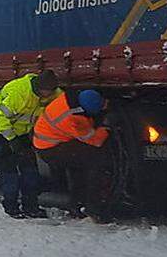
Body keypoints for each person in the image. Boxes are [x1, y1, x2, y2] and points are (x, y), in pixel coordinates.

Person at [0, 70, 60, 218]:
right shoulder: (19, 93)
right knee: (9, 170)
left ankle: (31, 206)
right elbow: (0, 117)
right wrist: (12, 140)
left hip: (21, 131)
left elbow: (61, 100)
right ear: (40, 89)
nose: (50, 96)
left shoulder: (51, 92)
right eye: (48, 92)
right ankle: (11, 206)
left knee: (30, 169)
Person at [34, 89, 113, 222]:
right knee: (94, 160)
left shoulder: (70, 97)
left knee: (78, 166)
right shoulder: (73, 119)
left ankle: (77, 204)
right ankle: (93, 207)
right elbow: (95, 140)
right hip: (50, 148)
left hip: (49, 140)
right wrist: (106, 128)